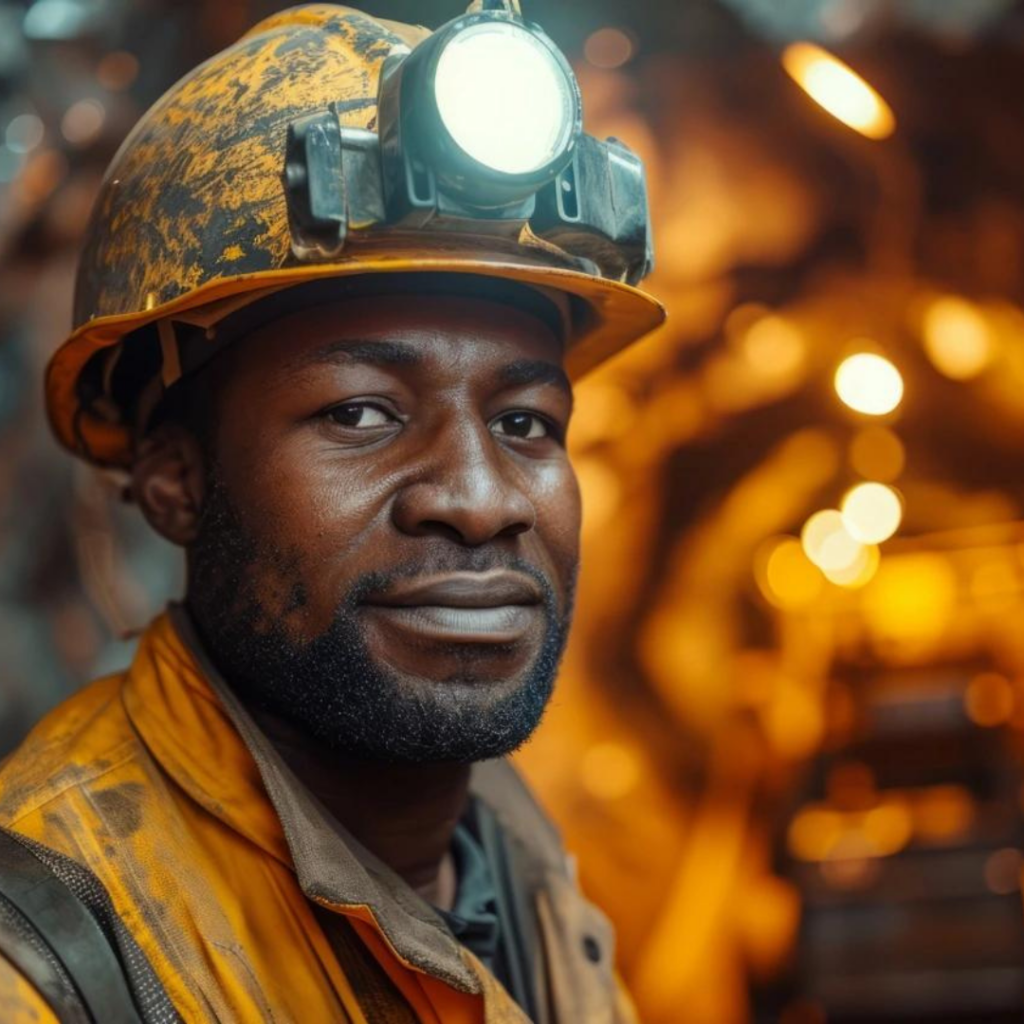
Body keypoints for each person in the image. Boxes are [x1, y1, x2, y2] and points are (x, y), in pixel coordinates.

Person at [0, 3, 664, 1021]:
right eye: (360, 411)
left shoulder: (510, 863)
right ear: (177, 480)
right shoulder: (50, 955)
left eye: (526, 421)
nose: (480, 500)